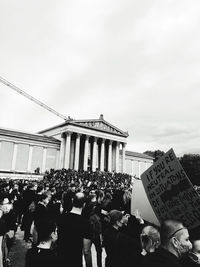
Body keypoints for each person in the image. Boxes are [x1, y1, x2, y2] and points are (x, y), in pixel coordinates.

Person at [57, 192, 93, 267]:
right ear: (84, 205)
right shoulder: (86, 224)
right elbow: (86, 251)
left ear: (73, 201)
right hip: (75, 261)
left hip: (60, 259)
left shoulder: (61, 218)